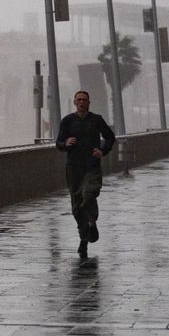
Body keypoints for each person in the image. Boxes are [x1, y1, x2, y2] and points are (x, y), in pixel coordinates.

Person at [56, 90, 116, 259]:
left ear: (89, 103)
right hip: (74, 168)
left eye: (84, 100)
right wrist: (66, 143)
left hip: (92, 167)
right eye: (79, 100)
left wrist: (102, 150)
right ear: (75, 102)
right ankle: (84, 238)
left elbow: (110, 137)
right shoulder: (67, 121)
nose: (81, 102)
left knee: (89, 194)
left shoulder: (96, 120)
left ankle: (91, 221)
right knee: (76, 206)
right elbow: (58, 143)